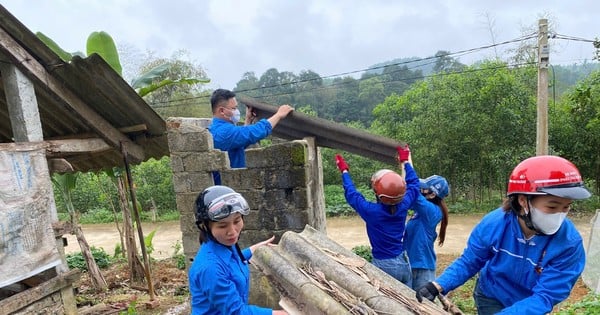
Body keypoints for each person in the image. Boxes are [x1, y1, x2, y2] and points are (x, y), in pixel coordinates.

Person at [415, 155, 592, 314]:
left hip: (531, 304)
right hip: (491, 296)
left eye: (566, 207)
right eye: (552, 207)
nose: (559, 214)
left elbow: (545, 296)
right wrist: (439, 285)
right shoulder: (494, 225)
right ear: (523, 200)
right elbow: (470, 261)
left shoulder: (569, 244)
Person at [188, 185, 288, 315]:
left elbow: (231, 261)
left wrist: (253, 250)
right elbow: (237, 312)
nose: (232, 231)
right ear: (205, 226)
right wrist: (283, 314)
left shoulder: (223, 244)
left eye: (237, 221)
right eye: (222, 225)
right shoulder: (210, 268)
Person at [334, 145, 419, 286]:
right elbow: (414, 185)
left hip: (384, 266)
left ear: (377, 193)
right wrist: (405, 161)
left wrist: (344, 171)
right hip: (403, 262)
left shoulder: (372, 212)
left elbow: (352, 194)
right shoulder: (404, 205)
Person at [208, 89, 294, 184]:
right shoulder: (223, 132)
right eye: (233, 108)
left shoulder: (217, 129)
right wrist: (279, 115)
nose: (237, 111)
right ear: (222, 111)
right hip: (228, 189)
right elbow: (255, 132)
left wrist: (248, 120)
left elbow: (239, 142)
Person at [404, 175, 450, 290]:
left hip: (422, 270)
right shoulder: (419, 212)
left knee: (422, 305)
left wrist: (406, 163)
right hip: (411, 265)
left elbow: (414, 194)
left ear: (432, 195)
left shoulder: (432, 212)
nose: (420, 190)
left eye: (424, 189)